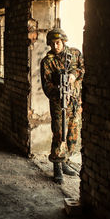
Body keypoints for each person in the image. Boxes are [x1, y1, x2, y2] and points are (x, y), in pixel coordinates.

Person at [40, 28, 85, 184]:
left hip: (75, 102)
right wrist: (58, 93)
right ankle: (57, 166)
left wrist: (74, 75)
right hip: (59, 104)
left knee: (73, 134)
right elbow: (46, 85)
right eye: (52, 44)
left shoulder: (75, 54)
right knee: (60, 134)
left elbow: (83, 69)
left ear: (64, 41)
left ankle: (66, 161)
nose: (55, 46)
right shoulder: (47, 61)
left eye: (58, 42)